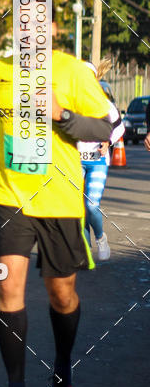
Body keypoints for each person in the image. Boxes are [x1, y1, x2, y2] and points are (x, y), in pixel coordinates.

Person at [0, 6, 114, 387]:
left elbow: (106, 127)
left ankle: (61, 372)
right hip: (11, 196)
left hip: (60, 201)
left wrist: (62, 116)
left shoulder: (73, 71)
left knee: (61, 295)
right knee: (7, 291)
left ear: (52, 28)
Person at [78, 62, 124, 262]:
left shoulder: (104, 104)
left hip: (97, 160)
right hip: (74, 161)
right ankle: (85, 250)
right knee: (76, 208)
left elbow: (119, 128)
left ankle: (100, 237)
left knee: (91, 205)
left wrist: (108, 141)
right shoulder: (69, 102)